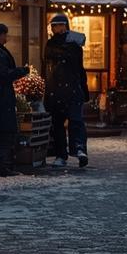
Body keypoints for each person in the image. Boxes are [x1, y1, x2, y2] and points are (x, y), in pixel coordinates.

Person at [43, 13, 90, 168]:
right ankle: (63, 153)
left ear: (64, 26)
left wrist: (84, 88)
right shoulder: (52, 44)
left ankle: (79, 149)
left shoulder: (73, 45)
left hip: (69, 90)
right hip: (56, 90)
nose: (55, 28)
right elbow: (48, 64)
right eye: (53, 26)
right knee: (59, 125)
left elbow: (79, 68)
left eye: (58, 25)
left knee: (75, 121)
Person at [0, 21, 29, 176]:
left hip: (1, 97)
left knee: (4, 133)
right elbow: (2, 75)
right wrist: (20, 72)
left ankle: (1, 165)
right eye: (4, 34)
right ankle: (0, 166)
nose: (6, 37)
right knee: (2, 133)